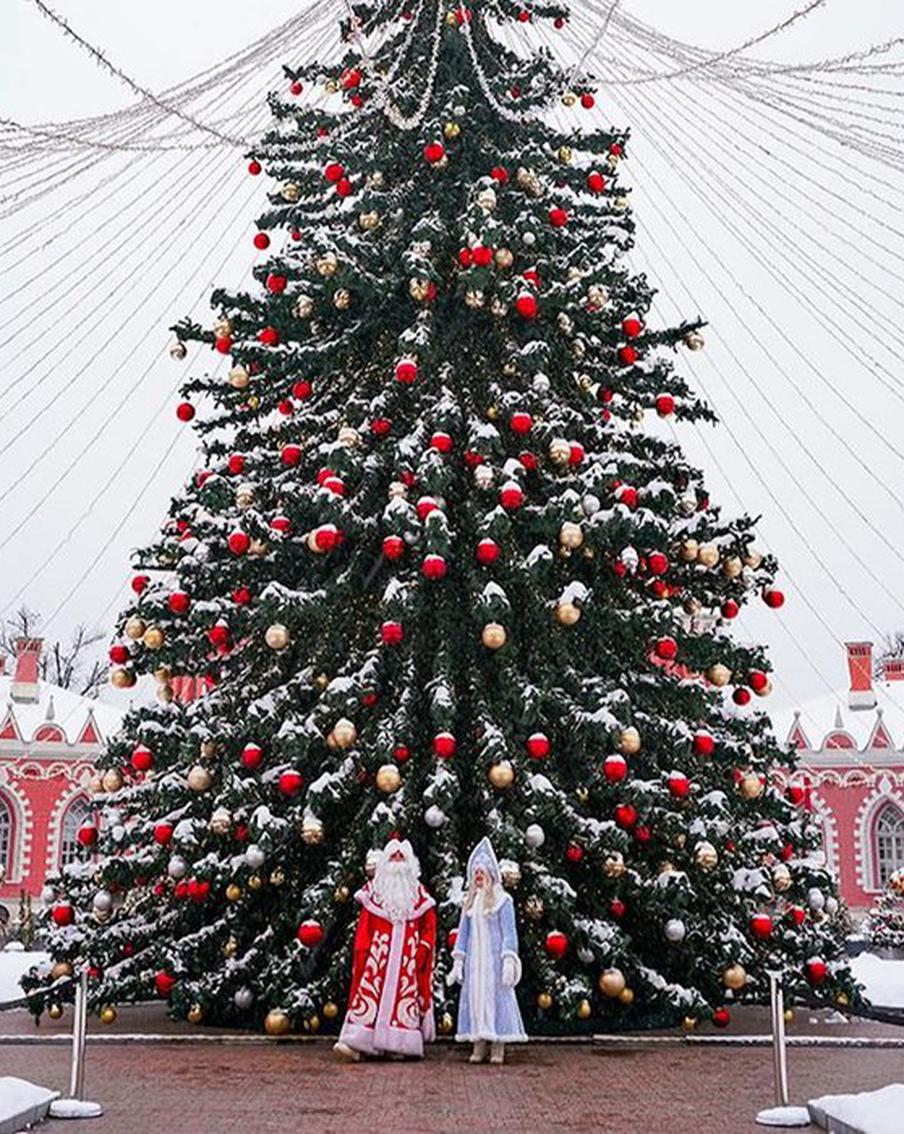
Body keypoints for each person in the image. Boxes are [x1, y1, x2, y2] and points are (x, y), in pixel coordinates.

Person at [333, 838, 436, 1060]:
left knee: (402, 1002)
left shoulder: (419, 894)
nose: (397, 861)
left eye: (401, 857)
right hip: (377, 958)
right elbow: (364, 927)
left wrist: (423, 948)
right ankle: (357, 1044)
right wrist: (363, 951)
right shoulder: (374, 892)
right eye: (393, 857)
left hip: (406, 961)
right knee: (368, 999)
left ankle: (398, 1045)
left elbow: (429, 926)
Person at [451, 837, 527, 1064]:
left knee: (497, 1000)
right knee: (476, 1000)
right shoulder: (470, 904)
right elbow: (463, 934)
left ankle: (498, 1045)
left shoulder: (503, 902)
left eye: (482, 872)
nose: (479, 877)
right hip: (476, 965)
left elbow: (509, 933)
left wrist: (509, 959)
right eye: (476, 874)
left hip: (494, 965)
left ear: (491, 874)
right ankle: (478, 1044)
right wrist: (458, 961)